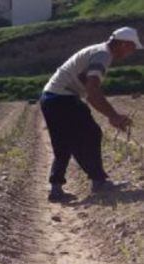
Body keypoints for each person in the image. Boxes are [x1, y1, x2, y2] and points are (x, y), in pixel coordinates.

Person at [41, 27, 142, 202]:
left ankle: (56, 189)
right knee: (90, 134)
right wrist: (113, 115)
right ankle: (98, 182)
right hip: (62, 98)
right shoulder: (103, 55)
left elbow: (89, 90)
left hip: (51, 97)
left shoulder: (98, 51)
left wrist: (110, 114)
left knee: (64, 143)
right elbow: (92, 91)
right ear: (124, 44)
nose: (130, 54)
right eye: (131, 49)